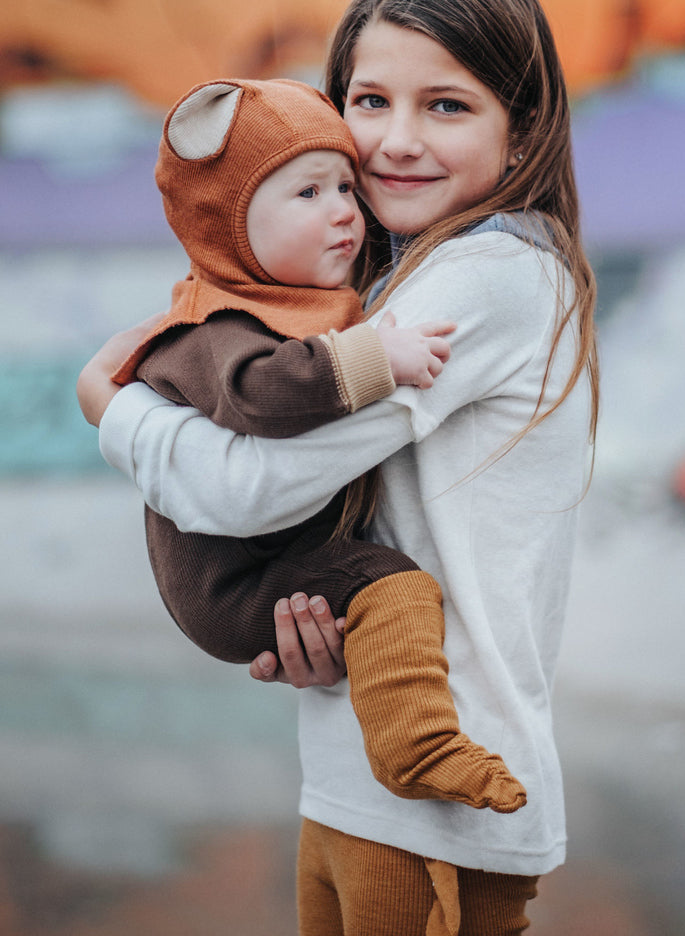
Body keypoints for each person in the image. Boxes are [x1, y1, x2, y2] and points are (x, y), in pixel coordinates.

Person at [78, 0, 599, 936]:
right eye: (368, 100)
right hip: (363, 773)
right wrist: (316, 623)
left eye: (446, 106)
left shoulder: (486, 275)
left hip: (443, 794)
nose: (395, 142)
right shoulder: (386, 279)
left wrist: (114, 408)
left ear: (521, 126)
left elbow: (243, 493)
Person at [99, 75, 525, 815]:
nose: (344, 215)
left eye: (345, 189)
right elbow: (261, 395)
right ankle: (419, 747)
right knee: (394, 585)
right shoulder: (217, 323)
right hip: (233, 580)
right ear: (228, 226)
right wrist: (376, 360)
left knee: (380, 591)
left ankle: (408, 733)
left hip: (273, 560)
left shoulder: (293, 301)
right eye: (308, 195)